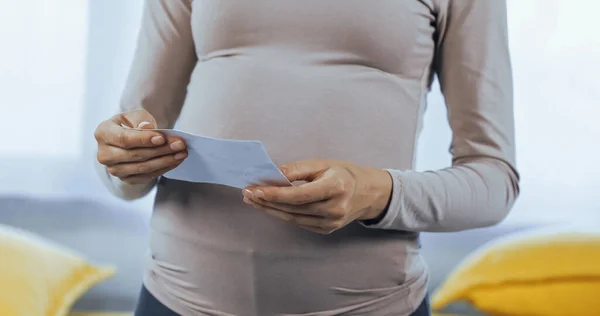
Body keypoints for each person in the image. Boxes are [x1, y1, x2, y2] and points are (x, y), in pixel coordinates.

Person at [94, 0, 520, 315]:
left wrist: (379, 194)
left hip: (367, 307)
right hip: (174, 299)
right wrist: (121, 161)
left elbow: (495, 181)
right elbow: (129, 148)